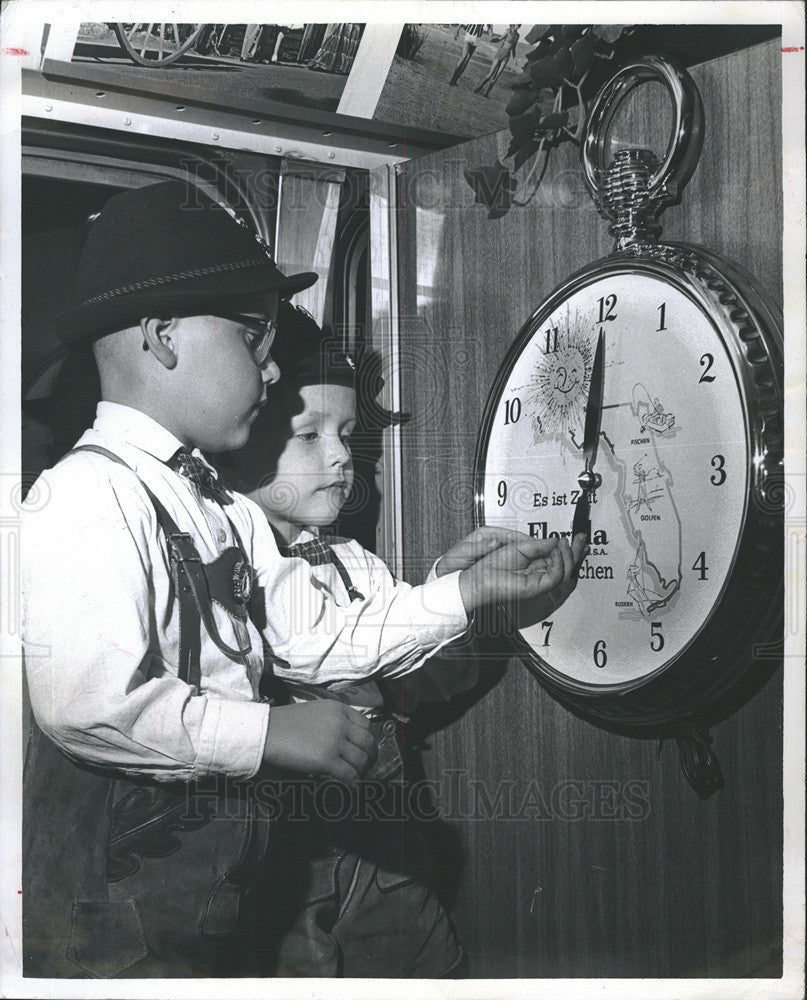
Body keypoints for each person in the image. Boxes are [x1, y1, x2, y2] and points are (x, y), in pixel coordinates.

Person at [21, 180, 582, 978]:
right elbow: (85, 705)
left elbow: (317, 642)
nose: (272, 362)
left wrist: (465, 594)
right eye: (252, 335)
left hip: (203, 896)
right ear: (163, 335)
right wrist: (269, 733)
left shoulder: (215, 505)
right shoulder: (86, 494)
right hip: (107, 922)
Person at [214, 303, 587, 976]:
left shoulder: (351, 562)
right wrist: (459, 596)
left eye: (348, 435)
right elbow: (324, 644)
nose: (339, 456)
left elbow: (411, 668)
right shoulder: (235, 555)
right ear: (237, 448)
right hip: (290, 861)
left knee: (427, 964)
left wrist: (461, 587)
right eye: (308, 435)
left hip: (388, 846)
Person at [473, 24, 520, 97]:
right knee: (490, 74)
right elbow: (500, 39)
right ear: (514, 24)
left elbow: (514, 47)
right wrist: (493, 40)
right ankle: (479, 87)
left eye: (519, 25)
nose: (518, 27)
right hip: (500, 52)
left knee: (497, 75)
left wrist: (515, 59)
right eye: (517, 25)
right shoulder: (508, 31)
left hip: (507, 56)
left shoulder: (517, 35)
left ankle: (486, 93)